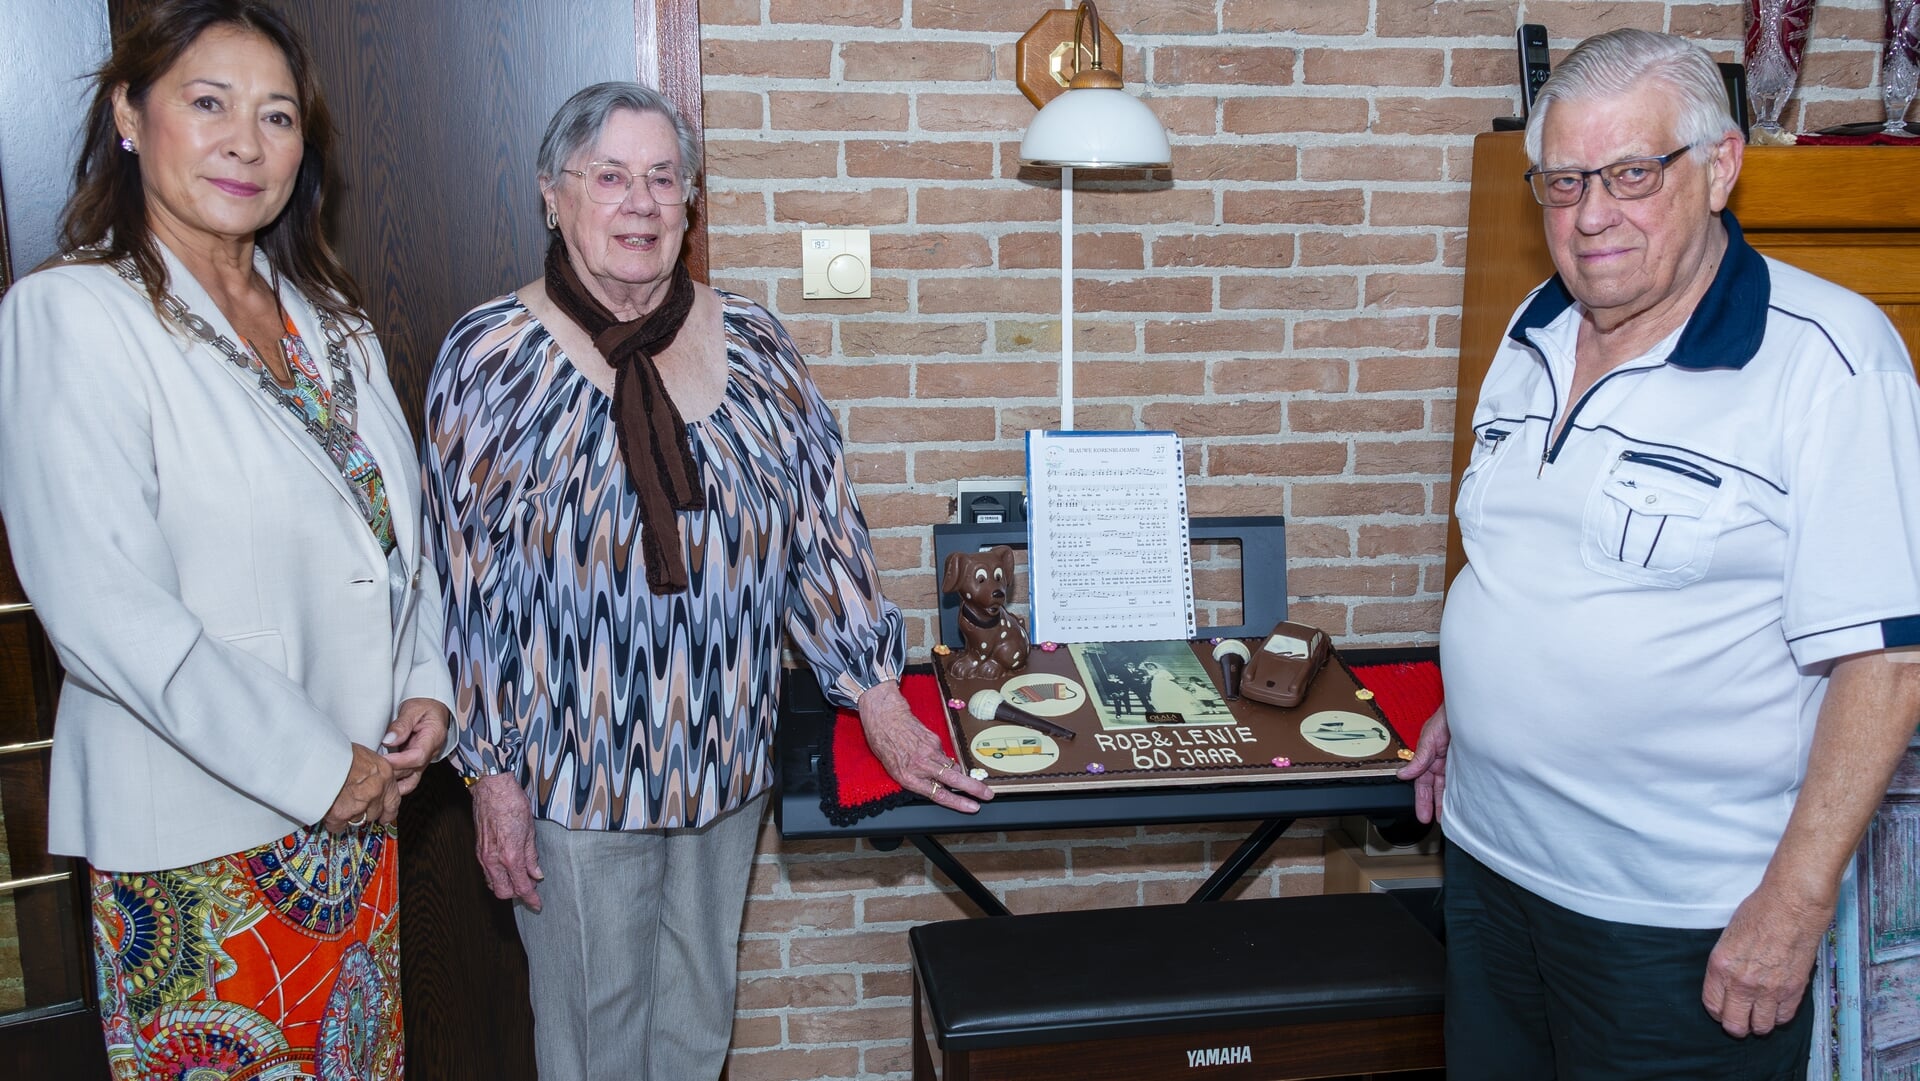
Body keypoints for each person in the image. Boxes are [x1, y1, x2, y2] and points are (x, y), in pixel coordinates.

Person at [420, 81, 991, 1081]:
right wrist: (492, 773)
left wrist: (880, 699)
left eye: (663, 178)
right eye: (610, 176)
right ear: (554, 196)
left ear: (689, 204)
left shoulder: (758, 346)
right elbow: (465, 583)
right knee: (599, 1036)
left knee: (696, 1025)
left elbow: (821, 533)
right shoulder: (492, 356)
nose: (640, 202)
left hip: (727, 759)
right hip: (573, 776)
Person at [1398, 28, 1920, 1079]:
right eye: (1562, 182)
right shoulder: (1532, 328)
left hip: (1678, 921)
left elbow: (1890, 660)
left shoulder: (1831, 361)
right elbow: (1528, 553)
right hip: (1491, 870)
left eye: (1633, 174)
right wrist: (1480, 701)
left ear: (1720, 168)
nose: (1592, 215)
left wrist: (1794, 902)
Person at [0, 1, 454, 1075]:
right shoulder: (73, 315)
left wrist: (426, 681)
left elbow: (402, 541)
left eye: (278, 115)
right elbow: (103, 608)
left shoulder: (329, 321)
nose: (247, 143)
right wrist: (317, 767)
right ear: (128, 113)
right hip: (200, 847)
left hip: (354, 830)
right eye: (210, 104)